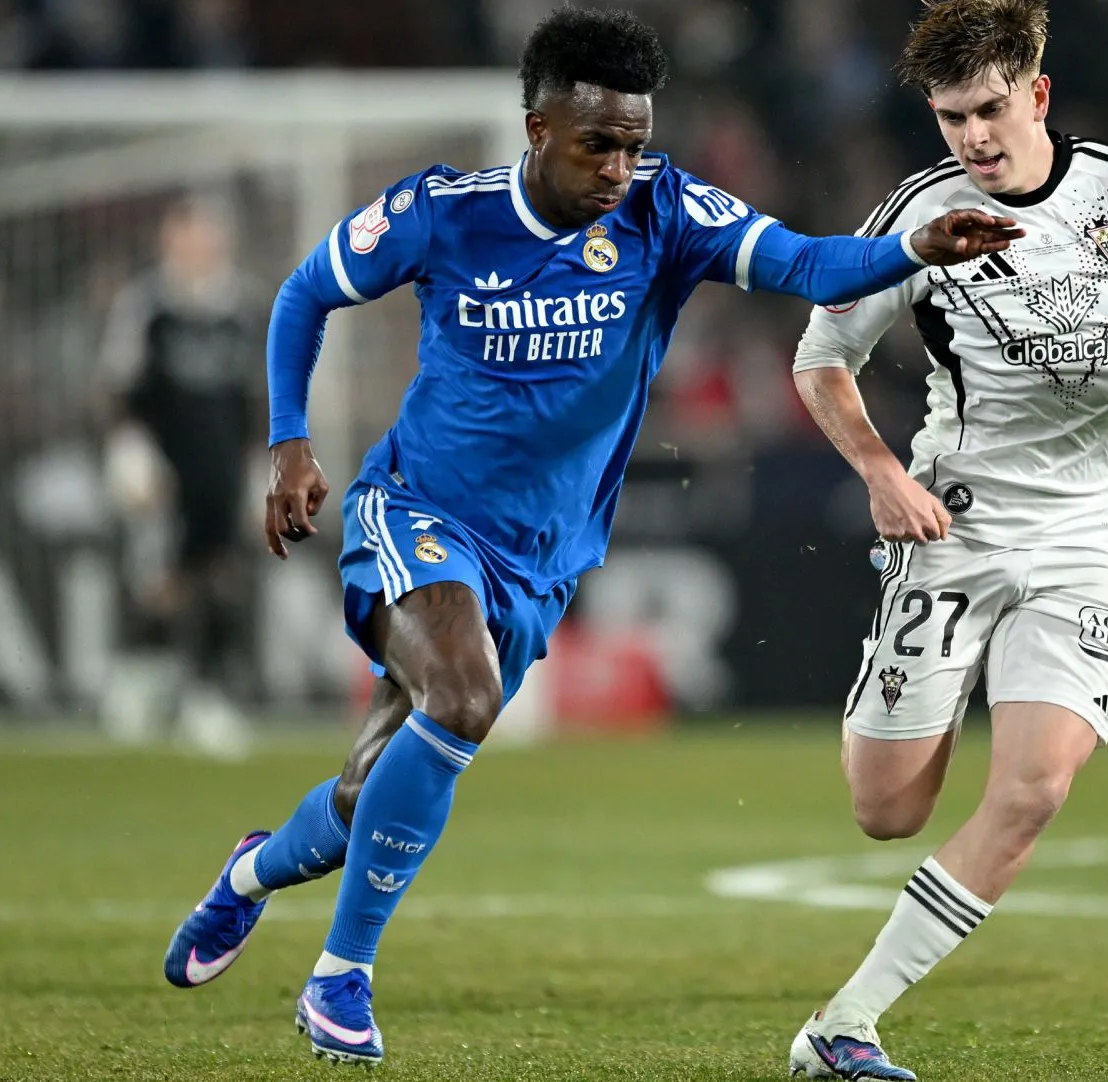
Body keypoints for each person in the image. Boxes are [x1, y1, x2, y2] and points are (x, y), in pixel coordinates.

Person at [158, 7, 1021, 1065]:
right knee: (463, 697)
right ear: (536, 128)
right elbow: (303, 295)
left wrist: (910, 248)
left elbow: (804, 265)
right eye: (596, 142)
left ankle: (248, 872)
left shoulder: (666, 213)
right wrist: (289, 442)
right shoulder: (442, 214)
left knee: (366, 788)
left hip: (542, 556)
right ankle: (342, 977)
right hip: (417, 511)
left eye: (635, 143)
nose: (620, 166)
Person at [784, 1, 1108, 1077]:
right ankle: (895, 666)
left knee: (1033, 790)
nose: (975, 138)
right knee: (887, 809)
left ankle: (844, 1023)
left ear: (1037, 95)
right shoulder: (921, 209)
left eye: (991, 108)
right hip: (957, 522)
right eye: (951, 118)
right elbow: (820, 355)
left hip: (1086, 535)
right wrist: (882, 473)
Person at [98, 194, 260, 757]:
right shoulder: (147, 308)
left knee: (217, 573)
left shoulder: (239, 310)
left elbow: (253, 395)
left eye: (207, 241)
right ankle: (134, 681)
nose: (199, 252)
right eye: (187, 240)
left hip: (219, 466)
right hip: (162, 467)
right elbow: (120, 387)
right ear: (169, 244)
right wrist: (129, 451)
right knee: (160, 580)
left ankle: (204, 696)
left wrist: (261, 461)